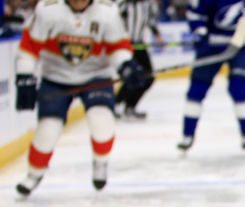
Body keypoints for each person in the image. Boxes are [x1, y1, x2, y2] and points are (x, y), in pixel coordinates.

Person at [14, 0, 146, 196]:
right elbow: (29, 47)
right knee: (48, 129)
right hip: (55, 76)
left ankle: (101, 162)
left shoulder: (107, 11)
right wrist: (24, 74)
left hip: (95, 76)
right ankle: (34, 174)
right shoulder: (47, 9)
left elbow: (117, 47)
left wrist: (126, 65)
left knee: (102, 122)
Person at [177, 0, 245, 151]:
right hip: (213, 45)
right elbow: (195, 13)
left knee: (239, 88)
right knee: (197, 89)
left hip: (242, 46)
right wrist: (200, 33)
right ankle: (187, 135)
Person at [115, 0, 162, 119]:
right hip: (125, 44)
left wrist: (158, 36)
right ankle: (115, 104)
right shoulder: (123, 3)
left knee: (148, 77)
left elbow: (151, 21)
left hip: (139, 44)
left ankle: (130, 106)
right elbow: (113, 19)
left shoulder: (149, 3)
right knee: (132, 75)